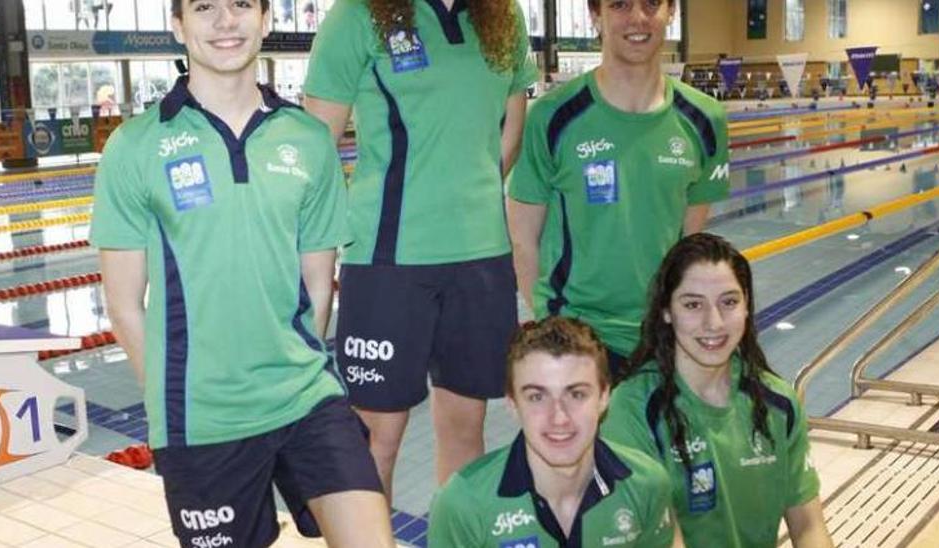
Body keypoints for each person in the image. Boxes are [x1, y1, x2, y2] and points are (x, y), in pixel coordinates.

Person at [90, 0, 392, 544]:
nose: (225, 21)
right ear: (178, 25)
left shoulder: (307, 140)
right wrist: (175, 397)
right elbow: (124, 305)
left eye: (241, 4)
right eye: (205, 6)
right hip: (204, 420)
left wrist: (293, 359)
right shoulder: (136, 146)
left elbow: (319, 285)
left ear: (266, 18)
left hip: (305, 397)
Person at [303, 0, 539, 501]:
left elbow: (511, 132)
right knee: (375, 442)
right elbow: (314, 148)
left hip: (481, 260)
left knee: (464, 431)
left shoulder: (504, 16)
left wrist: (462, 198)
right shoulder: (357, 16)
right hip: (389, 262)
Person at [507, 0, 730, 377]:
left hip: (666, 338)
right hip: (577, 339)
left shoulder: (705, 119)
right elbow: (522, 239)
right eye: (620, 5)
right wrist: (553, 328)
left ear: (671, 13)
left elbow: (690, 244)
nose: (638, 18)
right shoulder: (554, 115)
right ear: (596, 16)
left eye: (651, 4)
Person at [599, 233, 833, 548]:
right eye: (693, 304)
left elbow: (808, 526)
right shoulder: (633, 408)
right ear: (667, 311)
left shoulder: (776, 403)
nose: (714, 322)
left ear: (747, 306)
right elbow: (664, 539)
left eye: (729, 302)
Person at [430, 316, 685, 547]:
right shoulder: (464, 505)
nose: (559, 417)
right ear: (513, 404)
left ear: (604, 397)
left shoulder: (645, 485)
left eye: (576, 394)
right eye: (537, 397)